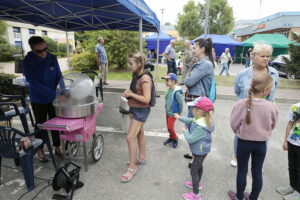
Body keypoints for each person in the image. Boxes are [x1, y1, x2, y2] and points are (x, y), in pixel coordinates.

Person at [228, 74, 278, 200]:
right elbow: (273, 124)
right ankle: (253, 198)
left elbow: (233, 123)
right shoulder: (271, 106)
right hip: (261, 144)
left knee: (242, 170)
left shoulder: (241, 104)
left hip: (243, 143)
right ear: (266, 90)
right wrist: (263, 133)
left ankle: (239, 197)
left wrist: (240, 132)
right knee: (257, 172)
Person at [230, 43, 279, 167]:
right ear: (253, 57)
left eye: (268, 56)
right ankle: (237, 155)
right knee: (241, 134)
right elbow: (237, 91)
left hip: (264, 112)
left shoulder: (274, 73)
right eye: (262, 56)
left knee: (262, 136)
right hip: (247, 110)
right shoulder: (243, 73)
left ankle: (258, 163)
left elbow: (273, 92)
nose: (266, 58)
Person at [23, 36, 63, 162]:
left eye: (45, 49)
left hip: (53, 97)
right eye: (39, 51)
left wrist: (63, 89)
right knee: (40, 124)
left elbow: (59, 75)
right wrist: (54, 94)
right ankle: (40, 148)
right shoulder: (27, 61)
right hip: (38, 98)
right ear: (32, 49)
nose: (44, 53)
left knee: (56, 123)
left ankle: (57, 146)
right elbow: (34, 82)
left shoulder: (52, 58)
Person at [174, 97, 214, 200]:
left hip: (200, 151)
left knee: (193, 170)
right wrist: (179, 118)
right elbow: (190, 120)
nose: (191, 109)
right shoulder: (201, 119)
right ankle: (198, 183)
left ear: (199, 111)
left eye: (193, 108)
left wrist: (185, 130)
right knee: (199, 167)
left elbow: (190, 139)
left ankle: (196, 195)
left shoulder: (201, 126)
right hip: (201, 150)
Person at [121, 52, 152, 183]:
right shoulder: (136, 75)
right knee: (139, 133)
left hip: (140, 111)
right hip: (136, 109)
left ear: (139, 64)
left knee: (130, 137)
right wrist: (129, 94)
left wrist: (131, 95)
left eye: (131, 63)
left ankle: (132, 167)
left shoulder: (145, 79)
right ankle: (142, 158)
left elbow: (146, 99)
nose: (129, 66)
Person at [183, 38, 214, 160]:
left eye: (195, 47)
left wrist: (185, 78)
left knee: (195, 127)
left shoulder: (205, 64)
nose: (192, 49)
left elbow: (189, 81)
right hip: (195, 100)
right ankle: (193, 154)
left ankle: (196, 158)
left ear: (202, 49)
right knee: (193, 126)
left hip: (198, 102)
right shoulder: (200, 62)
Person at [276, 103, 300, 200]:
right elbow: (290, 123)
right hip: (292, 142)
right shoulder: (295, 107)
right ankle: (292, 186)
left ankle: (298, 193)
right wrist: (286, 140)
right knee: (292, 167)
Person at [162, 73, 183, 148]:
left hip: (174, 113)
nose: (166, 82)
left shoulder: (177, 92)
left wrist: (179, 113)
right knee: (169, 127)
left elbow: (181, 103)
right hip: (168, 112)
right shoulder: (168, 90)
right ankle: (171, 138)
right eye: (166, 80)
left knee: (170, 127)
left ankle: (175, 138)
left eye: (168, 80)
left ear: (173, 81)